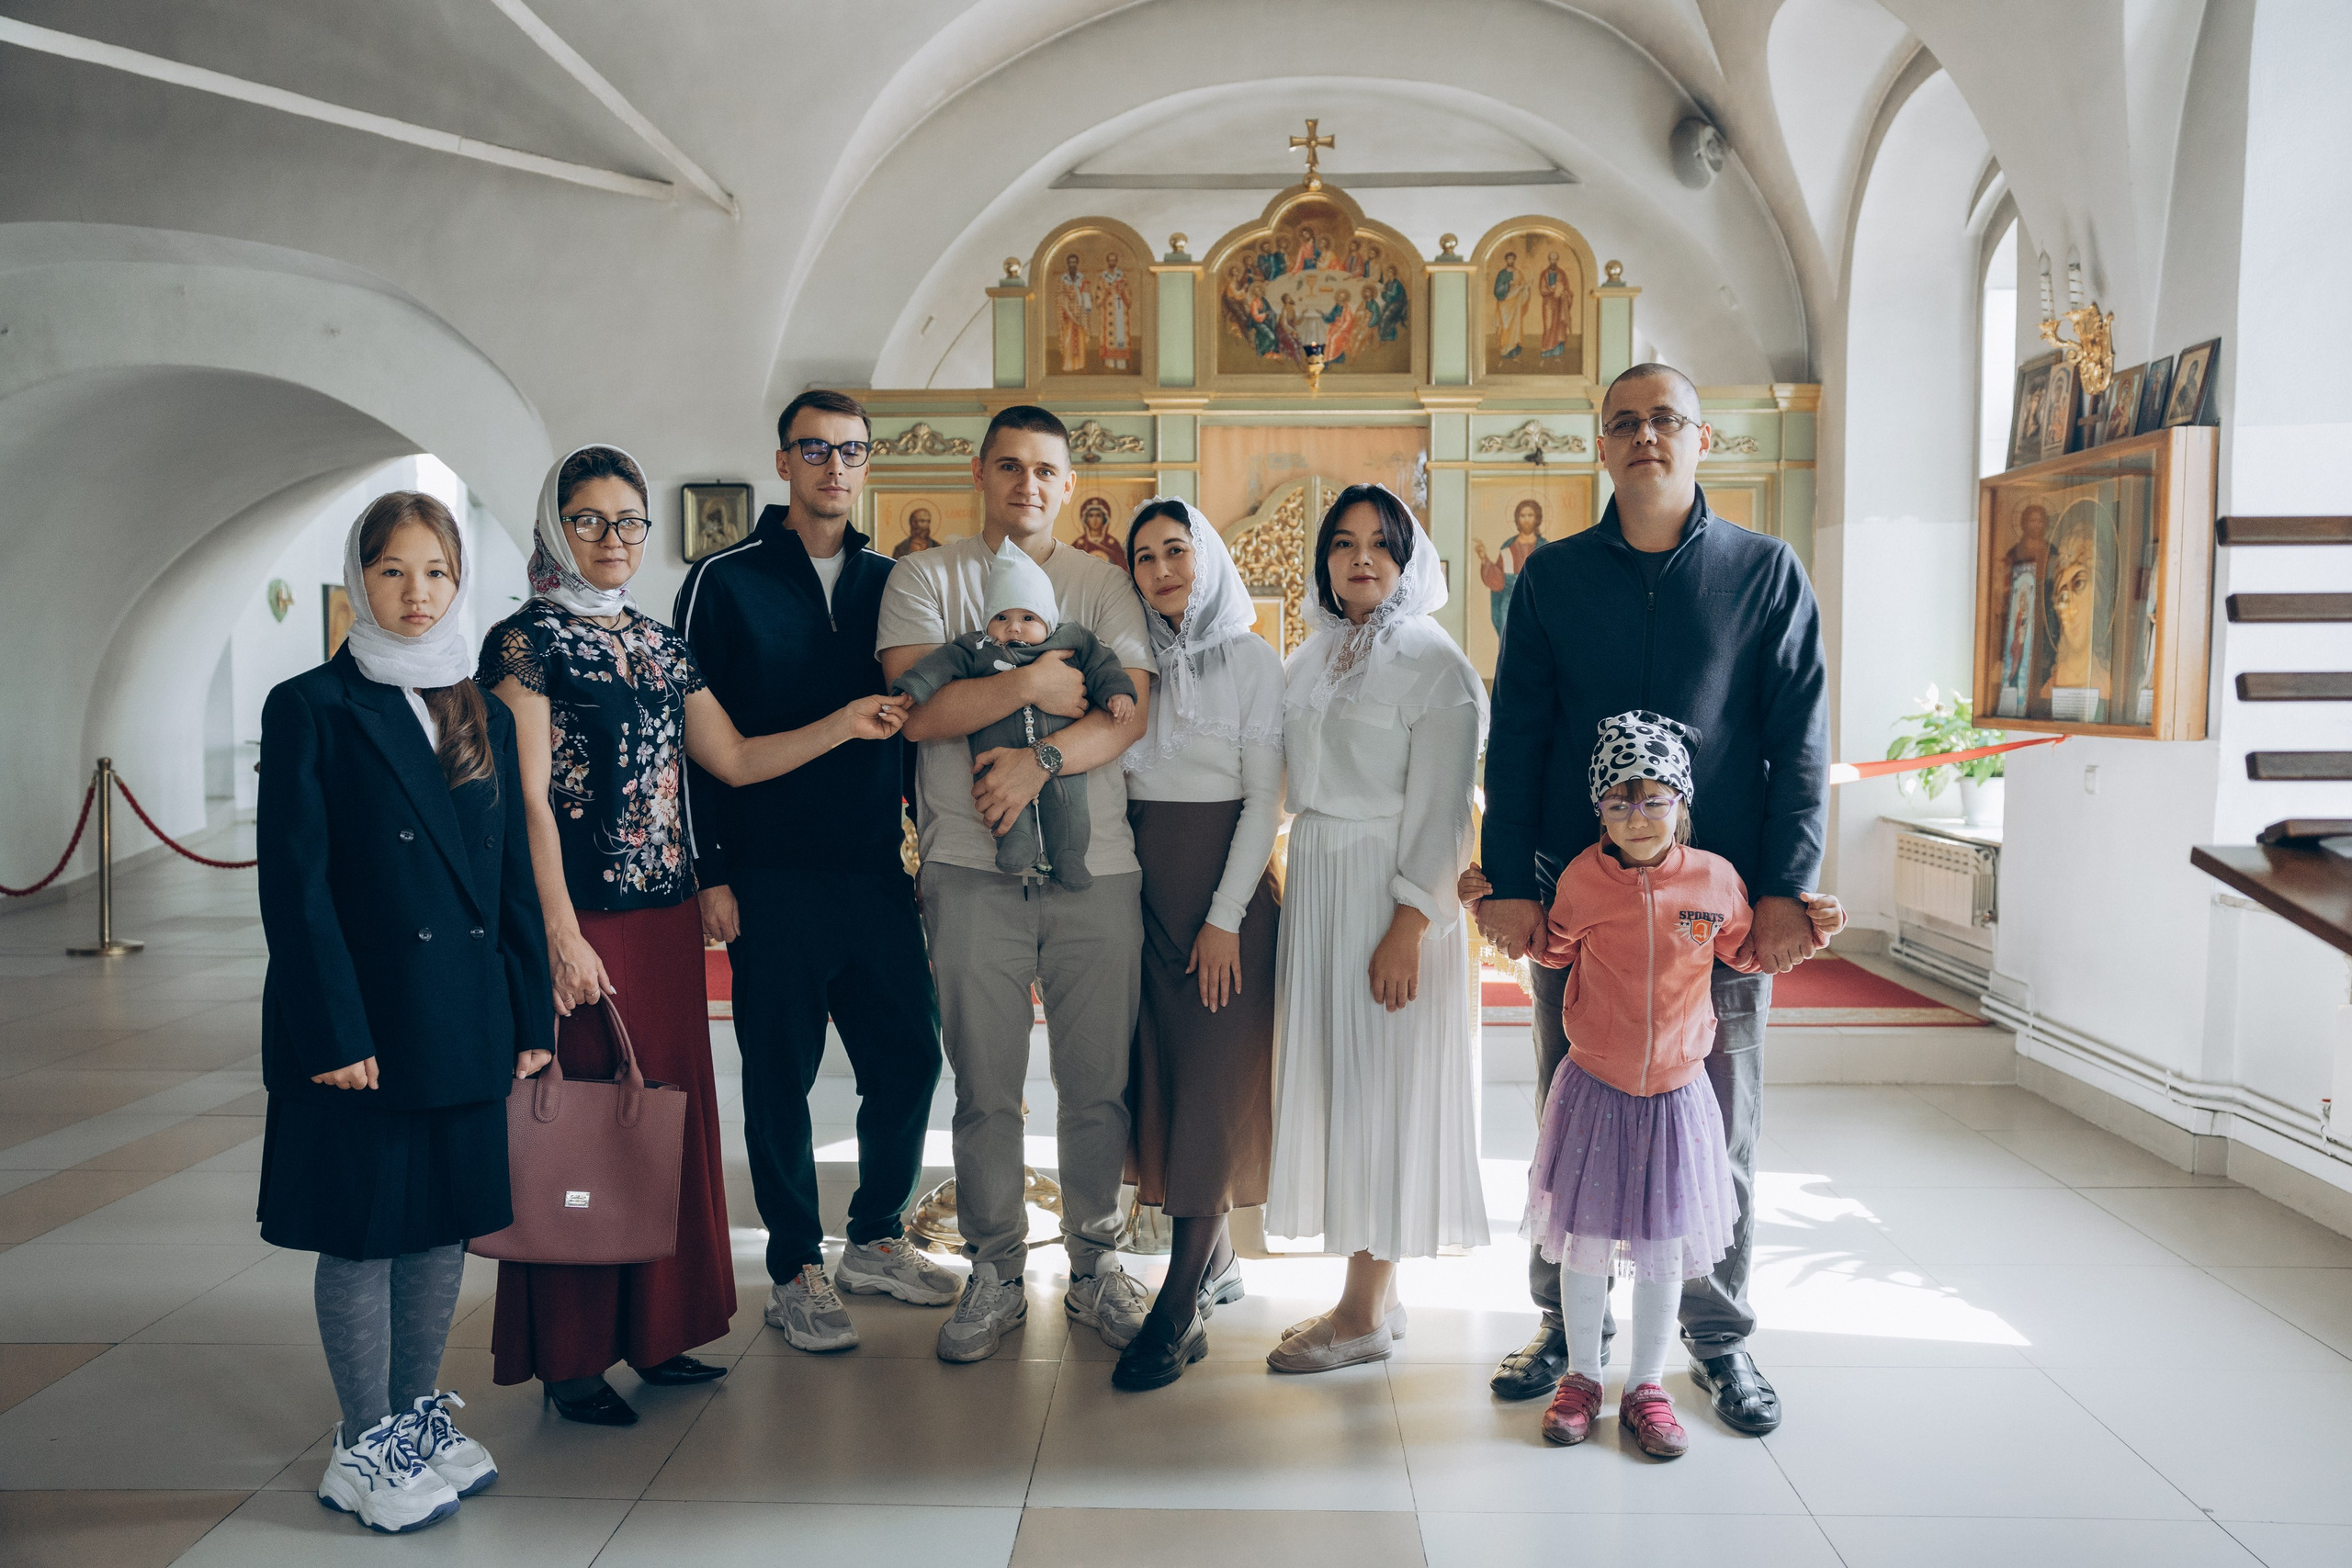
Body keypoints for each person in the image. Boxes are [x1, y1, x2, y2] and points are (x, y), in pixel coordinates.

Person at [481, 444, 911, 1421]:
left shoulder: (660, 644)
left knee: (662, 1123)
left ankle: (658, 1334)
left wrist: (845, 723)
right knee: (586, 1131)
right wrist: (557, 933)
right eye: (588, 519)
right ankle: (576, 1358)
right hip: (584, 918)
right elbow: (532, 806)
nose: (611, 539)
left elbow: (738, 759)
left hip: (667, 916)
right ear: (557, 528)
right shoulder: (524, 644)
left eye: (627, 521)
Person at [1477, 362, 1830, 1435]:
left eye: (1664, 419)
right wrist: (1504, 885)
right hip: (1575, 902)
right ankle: (1566, 1332)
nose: (1645, 437)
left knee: (1718, 1123)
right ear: (1601, 444)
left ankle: (1715, 1338)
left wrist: (1786, 889)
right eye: (1623, 422)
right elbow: (1520, 734)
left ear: (1701, 439)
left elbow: (1798, 742)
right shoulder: (1551, 578)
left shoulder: (1764, 573)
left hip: (1714, 910)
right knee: (1567, 1116)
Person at [256, 491, 552, 1534]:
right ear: (358, 581)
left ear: (460, 578)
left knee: (440, 1231)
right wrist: (331, 1033)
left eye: (435, 571)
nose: (416, 593)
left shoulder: (486, 706)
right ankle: (360, 1442)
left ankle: (414, 1421)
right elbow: (295, 888)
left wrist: (529, 1018)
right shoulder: (313, 707)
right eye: (392, 572)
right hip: (365, 1026)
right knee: (366, 1232)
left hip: (465, 1015)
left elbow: (509, 877)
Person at [674, 390, 962, 1356]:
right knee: (779, 1076)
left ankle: (875, 1237)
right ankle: (795, 1261)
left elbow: (928, 728)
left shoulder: (898, 580)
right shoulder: (723, 581)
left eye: (851, 451)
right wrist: (712, 871)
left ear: (868, 463)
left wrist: (935, 845)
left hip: (875, 868)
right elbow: (692, 744)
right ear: (784, 461)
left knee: (910, 1058)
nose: (835, 467)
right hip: (769, 870)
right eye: (816, 450)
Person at [1469, 714, 1841, 1457]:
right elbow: (1545, 943)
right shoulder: (1580, 880)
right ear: (1599, 808)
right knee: (1585, 1243)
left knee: (1663, 1245)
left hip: (1677, 1096)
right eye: (1618, 801)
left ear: (1682, 801)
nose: (1636, 818)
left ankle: (1647, 1386)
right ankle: (1581, 1376)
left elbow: (1749, 954)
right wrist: (1489, 901)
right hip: (1595, 1090)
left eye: (1654, 799)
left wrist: (1813, 929)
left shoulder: (1716, 882)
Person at [877, 404, 1156, 1365]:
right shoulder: (927, 575)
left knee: (1096, 1087)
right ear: (979, 474)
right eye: (1009, 467)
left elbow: (1128, 713)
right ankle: (994, 1268)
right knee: (985, 1087)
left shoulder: (1103, 582)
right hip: (967, 868)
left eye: (1045, 470)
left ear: (1068, 485)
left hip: (1097, 870)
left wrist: (1039, 765)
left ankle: (1094, 1265)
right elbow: (919, 712)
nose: (1027, 485)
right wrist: (1032, 688)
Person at [1262, 485, 1488, 1374]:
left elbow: (1444, 813)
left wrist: (1408, 921)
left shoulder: (1435, 666)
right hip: (1321, 884)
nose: (1361, 558)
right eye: (1344, 543)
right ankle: (1377, 1300)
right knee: (1342, 1082)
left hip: (1391, 896)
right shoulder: (1309, 657)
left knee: (1378, 1092)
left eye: (1380, 545)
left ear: (1408, 559)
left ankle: (1358, 1313)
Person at [1111, 498, 1285, 1391]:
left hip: (1225, 913)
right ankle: (1213, 1266)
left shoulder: (1254, 661)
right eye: (1145, 558)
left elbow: (1265, 800)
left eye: (1177, 550)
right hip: (1141, 907)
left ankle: (1174, 1310)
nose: (1163, 569)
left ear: (1207, 558)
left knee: (1213, 1098)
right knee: (1169, 1092)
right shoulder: (1128, 662)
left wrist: (1222, 918)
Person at [891, 538, 1136, 889]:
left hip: (1064, 757)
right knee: (1000, 799)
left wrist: (1118, 693)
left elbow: (1104, 667)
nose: (1014, 627)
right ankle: (1015, 843)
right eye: (1002, 617)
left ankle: (1069, 856)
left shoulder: (1070, 640)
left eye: (1027, 617)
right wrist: (912, 687)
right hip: (995, 753)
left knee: (1069, 804)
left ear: (1048, 620)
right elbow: (937, 666)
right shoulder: (977, 648)